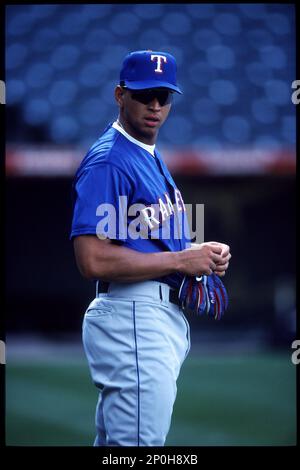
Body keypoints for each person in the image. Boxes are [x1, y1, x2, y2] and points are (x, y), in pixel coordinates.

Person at [70, 50, 231, 446]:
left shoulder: (147, 155)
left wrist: (198, 252)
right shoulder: (111, 159)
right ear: (120, 95)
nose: (155, 105)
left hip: (147, 315)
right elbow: (91, 258)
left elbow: (142, 238)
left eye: (164, 96)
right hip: (135, 317)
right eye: (144, 95)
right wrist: (181, 259)